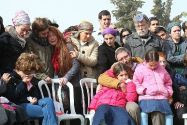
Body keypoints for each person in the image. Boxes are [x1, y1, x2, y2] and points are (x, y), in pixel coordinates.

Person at [3, 53, 58, 125]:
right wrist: (23, 83)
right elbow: (12, 98)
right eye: (28, 73)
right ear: (21, 69)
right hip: (18, 106)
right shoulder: (10, 77)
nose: (30, 75)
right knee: (50, 113)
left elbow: (35, 94)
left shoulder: (30, 76)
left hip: (30, 104)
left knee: (48, 101)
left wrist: (34, 99)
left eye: (32, 73)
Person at [98, 47, 142, 125]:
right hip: (124, 98)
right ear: (118, 61)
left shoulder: (140, 66)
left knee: (133, 107)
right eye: (121, 59)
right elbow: (101, 78)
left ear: (130, 55)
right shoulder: (117, 68)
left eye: (126, 57)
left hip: (140, 96)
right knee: (130, 108)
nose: (125, 60)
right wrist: (119, 83)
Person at [47, 26, 82, 114]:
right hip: (63, 86)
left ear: (58, 35)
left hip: (74, 85)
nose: (51, 38)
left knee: (76, 113)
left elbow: (76, 65)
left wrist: (66, 77)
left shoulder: (68, 46)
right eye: (48, 36)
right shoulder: (53, 50)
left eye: (53, 35)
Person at [133, 50, 173, 125]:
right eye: (151, 65)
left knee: (169, 115)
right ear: (146, 61)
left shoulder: (162, 69)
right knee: (144, 114)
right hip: (147, 96)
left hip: (162, 96)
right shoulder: (140, 69)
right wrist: (144, 91)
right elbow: (136, 82)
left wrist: (168, 92)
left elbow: (168, 82)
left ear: (158, 61)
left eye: (155, 64)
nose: (153, 67)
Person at [0, 10, 31, 76]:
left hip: (21, 79)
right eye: (23, 29)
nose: (25, 33)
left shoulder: (25, 42)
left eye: (27, 30)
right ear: (16, 25)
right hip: (7, 79)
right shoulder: (4, 40)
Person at [25, 17, 53, 83]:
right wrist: (42, 76)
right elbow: (29, 65)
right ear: (36, 32)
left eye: (47, 33)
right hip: (37, 80)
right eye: (43, 33)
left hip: (50, 78)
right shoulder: (29, 42)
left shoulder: (49, 40)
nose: (46, 35)